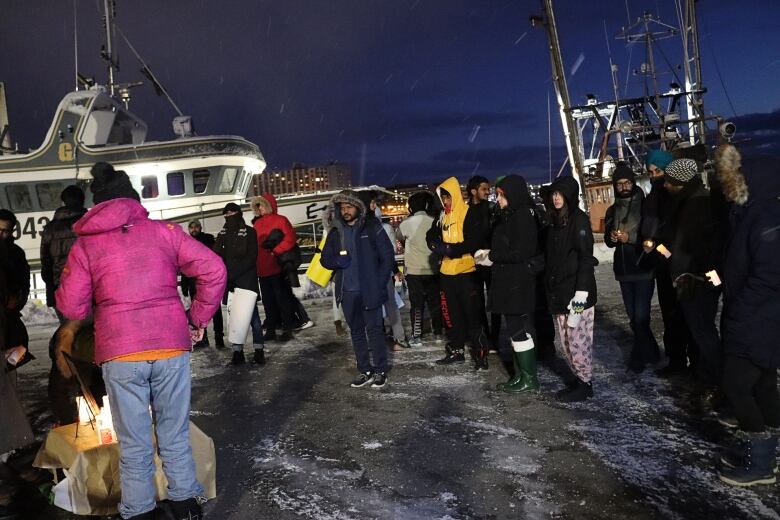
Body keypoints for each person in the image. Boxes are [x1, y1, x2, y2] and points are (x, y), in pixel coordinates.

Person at [55, 162, 226, 520]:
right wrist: (196, 318)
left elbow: (71, 304)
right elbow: (213, 269)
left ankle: (140, 512)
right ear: (132, 200)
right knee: (174, 434)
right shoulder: (165, 232)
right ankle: (186, 506)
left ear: (97, 204)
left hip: (120, 350)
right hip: (169, 344)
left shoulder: (86, 245)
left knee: (133, 444)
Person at [714, 145, 780, 486]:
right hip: (759, 319)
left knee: (738, 386)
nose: (731, 185)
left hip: (758, 319)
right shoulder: (751, 214)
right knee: (764, 384)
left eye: (738, 179)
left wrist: (739, 308)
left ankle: (761, 464)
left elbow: (770, 276)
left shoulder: (767, 218)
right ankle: (767, 453)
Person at [320, 190, 395, 389]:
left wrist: (379, 283)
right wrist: (337, 260)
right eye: (342, 208)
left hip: (370, 290)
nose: (345, 211)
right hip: (347, 292)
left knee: (375, 330)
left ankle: (380, 370)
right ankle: (365, 370)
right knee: (356, 332)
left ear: (357, 208)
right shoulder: (336, 232)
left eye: (349, 207)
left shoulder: (372, 227)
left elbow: (387, 257)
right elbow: (324, 259)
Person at [663, 159, 723, 398]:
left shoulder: (696, 204)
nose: (665, 184)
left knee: (704, 333)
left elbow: (703, 249)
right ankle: (707, 375)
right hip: (690, 278)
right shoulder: (687, 201)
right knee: (700, 331)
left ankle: (718, 381)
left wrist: (700, 277)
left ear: (680, 182)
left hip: (696, 281)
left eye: (669, 180)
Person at [477, 175, 539, 393]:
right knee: (514, 330)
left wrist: (491, 255)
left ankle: (529, 378)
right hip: (509, 281)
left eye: (502, 195)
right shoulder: (510, 215)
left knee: (520, 330)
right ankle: (520, 374)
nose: (499, 199)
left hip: (517, 282)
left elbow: (520, 251)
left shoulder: (522, 216)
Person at [642, 150, 697, 377]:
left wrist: (660, 247)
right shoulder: (652, 197)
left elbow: (678, 234)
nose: (655, 177)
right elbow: (649, 227)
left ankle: (696, 363)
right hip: (663, 266)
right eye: (651, 172)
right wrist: (647, 243)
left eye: (659, 171)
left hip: (683, 266)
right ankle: (676, 360)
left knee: (689, 316)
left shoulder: (678, 197)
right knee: (669, 316)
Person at [543, 176, 598, 402]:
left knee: (578, 340)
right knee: (566, 341)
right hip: (559, 292)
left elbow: (586, 258)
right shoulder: (554, 221)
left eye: (560, 194)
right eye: (554, 194)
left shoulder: (579, 220)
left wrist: (581, 293)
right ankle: (578, 378)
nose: (556, 198)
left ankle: (585, 383)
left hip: (577, 293)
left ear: (569, 196)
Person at [426, 177, 489, 370]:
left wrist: (452, 250)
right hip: (447, 273)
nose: (446, 202)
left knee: (472, 316)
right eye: (443, 198)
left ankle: (480, 355)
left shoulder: (469, 213)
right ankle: (456, 350)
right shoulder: (442, 216)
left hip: (466, 271)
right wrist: (435, 245)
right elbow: (430, 235)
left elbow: (474, 241)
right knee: (451, 317)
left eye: (448, 198)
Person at [604, 163, 660, 373]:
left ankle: (638, 357)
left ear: (633, 182)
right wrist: (611, 238)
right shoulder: (612, 210)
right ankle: (652, 353)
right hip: (624, 271)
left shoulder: (645, 206)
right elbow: (610, 242)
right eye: (619, 184)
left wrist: (631, 238)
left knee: (640, 317)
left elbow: (652, 238)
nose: (624, 186)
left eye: (627, 182)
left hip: (643, 268)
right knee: (634, 318)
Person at [215, 202, 265, 364]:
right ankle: (238, 352)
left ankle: (259, 350)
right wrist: (225, 277)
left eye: (232, 213)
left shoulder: (249, 232)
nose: (229, 217)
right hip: (231, 283)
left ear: (238, 213)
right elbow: (217, 256)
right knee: (234, 318)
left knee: (253, 318)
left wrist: (232, 275)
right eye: (226, 214)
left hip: (247, 281)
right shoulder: (222, 234)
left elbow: (251, 258)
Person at [358, 190, 408, 350]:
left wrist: (393, 269)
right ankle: (391, 338)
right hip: (375, 272)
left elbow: (385, 251)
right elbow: (385, 251)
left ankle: (387, 338)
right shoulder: (370, 224)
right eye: (372, 203)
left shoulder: (369, 224)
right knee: (385, 304)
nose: (375, 206)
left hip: (378, 271)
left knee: (382, 305)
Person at [397, 191, 443, 347]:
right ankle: (438, 333)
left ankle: (417, 335)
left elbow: (400, 236)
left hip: (414, 271)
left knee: (417, 304)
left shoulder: (406, 223)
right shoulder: (433, 221)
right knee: (434, 302)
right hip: (432, 269)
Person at [252, 193, 299, 342]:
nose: (261, 208)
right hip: (262, 269)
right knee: (268, 301)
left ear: (270, 205)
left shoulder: (281, 220)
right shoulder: (257, 224)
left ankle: (287, 329)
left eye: (263, 205)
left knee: (282, 299)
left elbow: (290, 239)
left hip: (277, 267)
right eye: (258, 206)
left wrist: (276, 251)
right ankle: (271, 329)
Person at [40, 185, 87, 321]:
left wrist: (51, 289)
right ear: (83, 201)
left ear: (63, 202)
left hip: (61, 286)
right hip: (89, 286)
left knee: (67, 329)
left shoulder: (50, 228)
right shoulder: (91, 223)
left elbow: (46, 262)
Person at [466, 175, 499, 346]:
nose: (487, 192)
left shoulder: (492, 208)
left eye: (488, 189)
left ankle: (495, 336)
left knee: (494, 300)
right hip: (474, 259)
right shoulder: (466, 211)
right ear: (473, 191)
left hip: (492, 258)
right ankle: (484, 335)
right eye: (484, 189)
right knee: (477, 301)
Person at [181, 220, 223, 348]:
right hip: (194, 282)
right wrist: (184, 284)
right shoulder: (186, 242)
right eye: (191, 227)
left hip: (209, 281)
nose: (194, 229)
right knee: (198, 311)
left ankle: (219, 336)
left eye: (196, 227)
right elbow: (184, 263)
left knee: (215, 310)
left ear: (200, 228)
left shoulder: (208, 239)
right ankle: (202, 338)